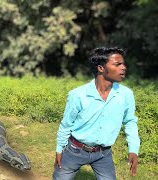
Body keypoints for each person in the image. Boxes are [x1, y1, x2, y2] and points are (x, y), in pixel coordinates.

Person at [52, 47, 140, 180]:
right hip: (75, 150)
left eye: (123, 64)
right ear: (101, 68)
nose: (123, 68)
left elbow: (130, 122)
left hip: (103, 154)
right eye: (117, 64)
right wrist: (59, 149)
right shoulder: (78, 95)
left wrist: (133, 149)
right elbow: (66, 124)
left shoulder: (126, 95)